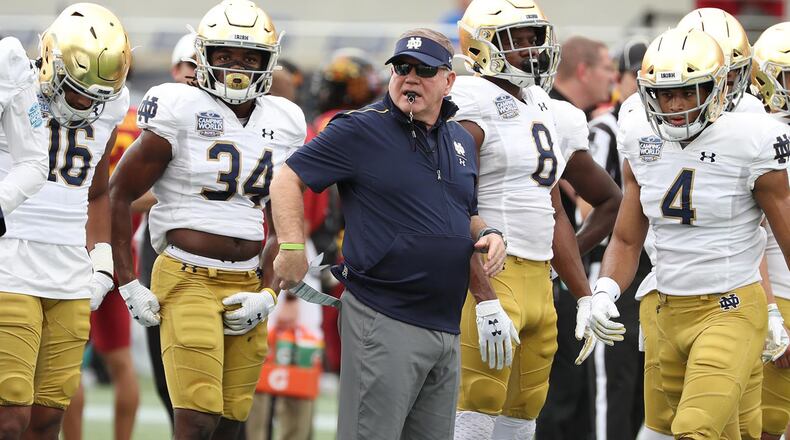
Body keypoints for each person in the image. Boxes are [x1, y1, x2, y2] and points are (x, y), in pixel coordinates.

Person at [270, 28, 507, 440]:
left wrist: (488, 231)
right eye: (402, 67)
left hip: (446, 325)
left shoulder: (460, 140)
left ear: (449, 80)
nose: (410, 77)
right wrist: (291, 245)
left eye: (424, 70)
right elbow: (287, 178)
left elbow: (460, 212)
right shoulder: (360, 129)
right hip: (383, 317)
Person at [109, 1, 305, 439]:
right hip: (186, 277)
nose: (237, 67)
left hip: (248, 280)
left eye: (249, 58)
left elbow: (282, 219)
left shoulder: (285, 118)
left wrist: (269, 293)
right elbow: (118, 193)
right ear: (204, 57)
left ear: (267, 61)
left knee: (233, 420)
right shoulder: (178, 105)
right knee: (197, 417)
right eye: (225, 56)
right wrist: (127, 280)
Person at [601, 27, 790, 439]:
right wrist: (603, 291)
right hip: (665, 309)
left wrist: (777, 311)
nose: (677, 105)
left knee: (696, 428)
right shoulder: (640, 137)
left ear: (718, 87)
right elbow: (627, 238)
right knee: (702, 430)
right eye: (666, 95)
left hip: (730, 307)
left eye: (690, 91)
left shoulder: (751, 138)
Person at [450, 1, 624, 439]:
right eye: (516, 41)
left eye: (533, 39)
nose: (531, 50)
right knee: (476, 401)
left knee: (526, 410)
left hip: (539, 282)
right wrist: (483, 292)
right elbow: (449, 201)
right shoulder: (469, 100)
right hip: (490, 272)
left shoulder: (552, 109)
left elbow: (561, 212)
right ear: (481, 46)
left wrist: (582, 292)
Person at [0, 3, 131, 439]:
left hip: (71, 270)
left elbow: (96, 190)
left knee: (48, 417)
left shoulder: (112, 105)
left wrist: (102, 259)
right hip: (9, 260)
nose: (86, 102)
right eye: (77, 90)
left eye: (97, 94)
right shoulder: (15, 83)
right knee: (9, 414)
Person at [536, 34, 620, 439]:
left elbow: (607, 201)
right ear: (584, 70)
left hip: (558, 270)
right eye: (607, 67)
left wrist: (567, 260)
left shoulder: (570, 117)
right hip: (512, 265)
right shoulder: (542, 110)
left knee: (568, 390)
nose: (615, 77)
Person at [751, 21, 790, 440]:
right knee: (765, 425)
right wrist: (772, 312)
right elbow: (753, 236)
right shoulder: (765, 138)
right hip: (779, 292)